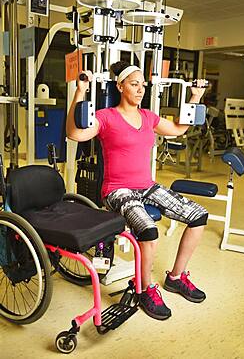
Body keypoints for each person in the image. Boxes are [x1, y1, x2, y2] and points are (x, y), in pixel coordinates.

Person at [66, 61, 208, 321]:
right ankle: (145, 289)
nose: (140, 89)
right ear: (120, 86)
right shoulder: (106, 117)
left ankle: (176, 277)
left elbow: (178, 130)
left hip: (147, 186)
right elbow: (75, 133)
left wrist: (195, 97)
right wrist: (80, 92)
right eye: (134, 84)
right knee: (148, 231)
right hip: (117, 190)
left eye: (142, 84)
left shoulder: (148, 117)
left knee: (198, 215)